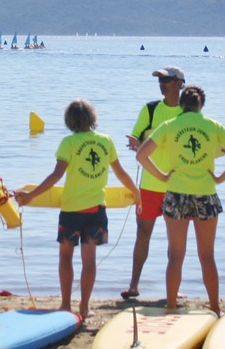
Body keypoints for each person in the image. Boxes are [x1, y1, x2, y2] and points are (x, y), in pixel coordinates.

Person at [17, 99, 139, 320]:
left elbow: (56, 175)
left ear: (69, 121)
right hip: (96, 210)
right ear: (92, 118)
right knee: (89, 260)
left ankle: (65, 305)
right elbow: (121, 173)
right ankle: (84, 307)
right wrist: (136, 192)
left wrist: (30, 196)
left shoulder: (69, 143)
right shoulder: (106, 141)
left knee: (65, 257)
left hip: (72, 210)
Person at [135, 84, 225, 314]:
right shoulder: (213, 125)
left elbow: (141, 155)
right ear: (201, 105)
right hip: (205, 194)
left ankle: (171, 306)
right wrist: (221, 178)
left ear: (181, 105)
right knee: (207, 256)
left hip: (176, 194)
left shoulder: (169, 125)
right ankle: (215, 308)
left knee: (176, 257)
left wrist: (162, 176)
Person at [121, 65, 186, 300]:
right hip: (149, 185)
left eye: (166, 80)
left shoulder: (188, 111)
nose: (162, 84)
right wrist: (134, 143)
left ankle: (173, 288)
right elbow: (137, 138)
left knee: (175, 240)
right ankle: (133, 285)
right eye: (159, 80)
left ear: (179, 83)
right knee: (143, 233)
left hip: (178, 185)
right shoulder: (150, 109)